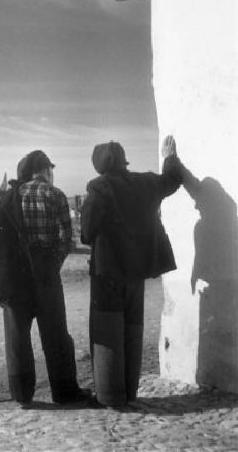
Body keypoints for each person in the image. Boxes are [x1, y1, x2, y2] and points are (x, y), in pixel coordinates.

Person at [0, 150, 89, 406]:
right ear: (45, 170)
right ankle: (64, 392)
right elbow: (65, 239)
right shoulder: (55, 195)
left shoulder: (8, 199)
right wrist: (52, 266)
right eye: (51, 170)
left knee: (17, 338)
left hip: (15, 278)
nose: (52, 174)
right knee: (56, 335)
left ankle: (22, 394)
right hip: (46, 276)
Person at [80, 136, 183, 407]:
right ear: (124, 160)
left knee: (108, 331)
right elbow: (172, 180)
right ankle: (129, 392)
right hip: (138, 272)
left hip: (107, 272)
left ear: (99, 165)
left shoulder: (99, 188)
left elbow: (87, 233)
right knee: (133, 330)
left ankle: (110, 396)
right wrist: (169, 157)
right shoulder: (146, 183)